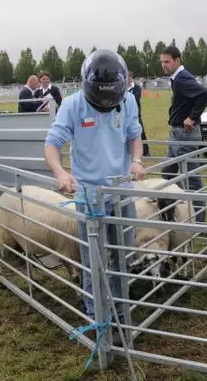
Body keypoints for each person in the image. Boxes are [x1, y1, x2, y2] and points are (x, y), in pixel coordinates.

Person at [44, 49, 145, 340]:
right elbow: (52, 144)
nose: (105, 105)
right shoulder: (72, 105)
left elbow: (133, 135)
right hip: (89, 196)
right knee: (94, 261)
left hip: (122, 191)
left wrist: (136, 159)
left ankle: (120, 313)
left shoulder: (127, 102)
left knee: (123, 256)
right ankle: (97, 318)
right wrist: (61, 173)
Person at [159, 45, 207, 222]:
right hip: (177, 133)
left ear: (177, 60)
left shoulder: (181, 79)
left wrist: (192, 117)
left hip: (185, 134)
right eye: (162, 62)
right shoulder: (177, 78)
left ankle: (199, 222)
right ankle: (178, 209)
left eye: (167, 62)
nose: (163, 65)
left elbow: (204, 93)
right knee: (168, 172)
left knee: (191, 178)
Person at [128, 74, 150, 156]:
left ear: (131, 78)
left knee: (141, 132)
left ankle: (146, 151)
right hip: (126, 115)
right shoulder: (123, 88)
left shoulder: (136, 88)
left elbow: (136, 98)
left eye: (128, 78)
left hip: (136, 114)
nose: (127, 80)